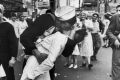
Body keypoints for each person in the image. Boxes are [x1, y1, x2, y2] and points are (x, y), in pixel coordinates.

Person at [20, 6, 86, 80]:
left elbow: (66, 53)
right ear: (62, 21)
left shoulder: (66, 32)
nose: (69, 28)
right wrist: (37, 53)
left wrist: (73, 39)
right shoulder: (46, 19)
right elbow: (24, 37)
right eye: (69, 25)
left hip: (46, 66)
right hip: (34, 60)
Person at [20, 9, 56, 80]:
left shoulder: (50, 28)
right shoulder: (50, 26)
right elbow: (25, 37)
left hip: (42, 60)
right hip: (38, 59)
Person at [0, 4, 18, 80]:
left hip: (6, 57)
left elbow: (13, 43)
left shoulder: (8, 26)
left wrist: (13, 58)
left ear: (1, 13)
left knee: (9, 76)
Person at [106, 4, 120, 80]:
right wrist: (114, 40)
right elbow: (109, 31)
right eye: (117, 10)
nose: (118, 12)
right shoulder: (115, 17)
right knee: (117, 64)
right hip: (118, 45)